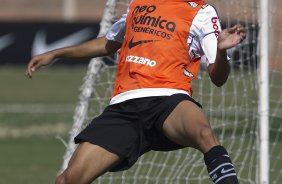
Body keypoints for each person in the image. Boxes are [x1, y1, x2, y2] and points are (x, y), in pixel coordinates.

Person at [26, 0, 246, 183]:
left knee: (205, 135)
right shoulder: (138, 3)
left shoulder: (201, 12)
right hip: (125, 107)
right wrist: (56, 54)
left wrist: (219, 49)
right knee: (67, 180)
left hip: (168, 100)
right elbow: (109, 43)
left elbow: (218, 78)